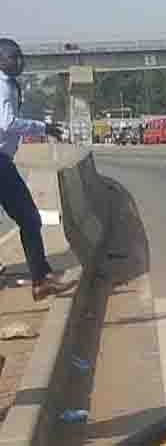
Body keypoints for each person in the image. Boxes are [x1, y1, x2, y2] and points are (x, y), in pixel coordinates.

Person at [0, 39, 78, 301]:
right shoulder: (2, 86)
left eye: (20, 56)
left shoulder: (8, 84)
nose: (19, 62)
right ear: (1, 60)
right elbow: (8, 123)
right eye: (13, 57)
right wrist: (42, 127)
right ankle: (41, 280)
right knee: (30, 218)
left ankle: (42, 275)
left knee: (27, 218)